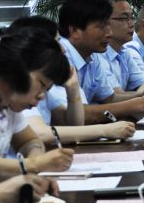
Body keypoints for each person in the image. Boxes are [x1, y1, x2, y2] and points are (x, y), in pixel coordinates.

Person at [9, 16, 136, 145]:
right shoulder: (20, 84)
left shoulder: (44, 85)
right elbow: (40, 133)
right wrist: (104, 130)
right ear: (36, 46)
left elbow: (74, 125)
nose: (63, 49)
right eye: (57, 42)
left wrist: (73, 89)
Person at [58, 0, 144, 122]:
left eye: (108, 25)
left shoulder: (92, 56)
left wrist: (142, 95)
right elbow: (77, 114)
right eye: (101, 27)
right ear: (75, 30)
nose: (109, 33)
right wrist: (140, 103)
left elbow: (110, 98)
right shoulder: (60, 56)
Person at [0, 33, 75, 176]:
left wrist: (34, 159)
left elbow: (30, 141)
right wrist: (34, 164)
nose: (42, 96)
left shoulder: (9, 106)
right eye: (41, 84)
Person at [99, 0, 144, 97]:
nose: (132, 24)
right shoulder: (98, 54)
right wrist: (143, 96)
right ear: (104, 22)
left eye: (132, 18)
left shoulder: (124, 51)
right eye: (124, 18)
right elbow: (115, 96)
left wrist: (142, 95)